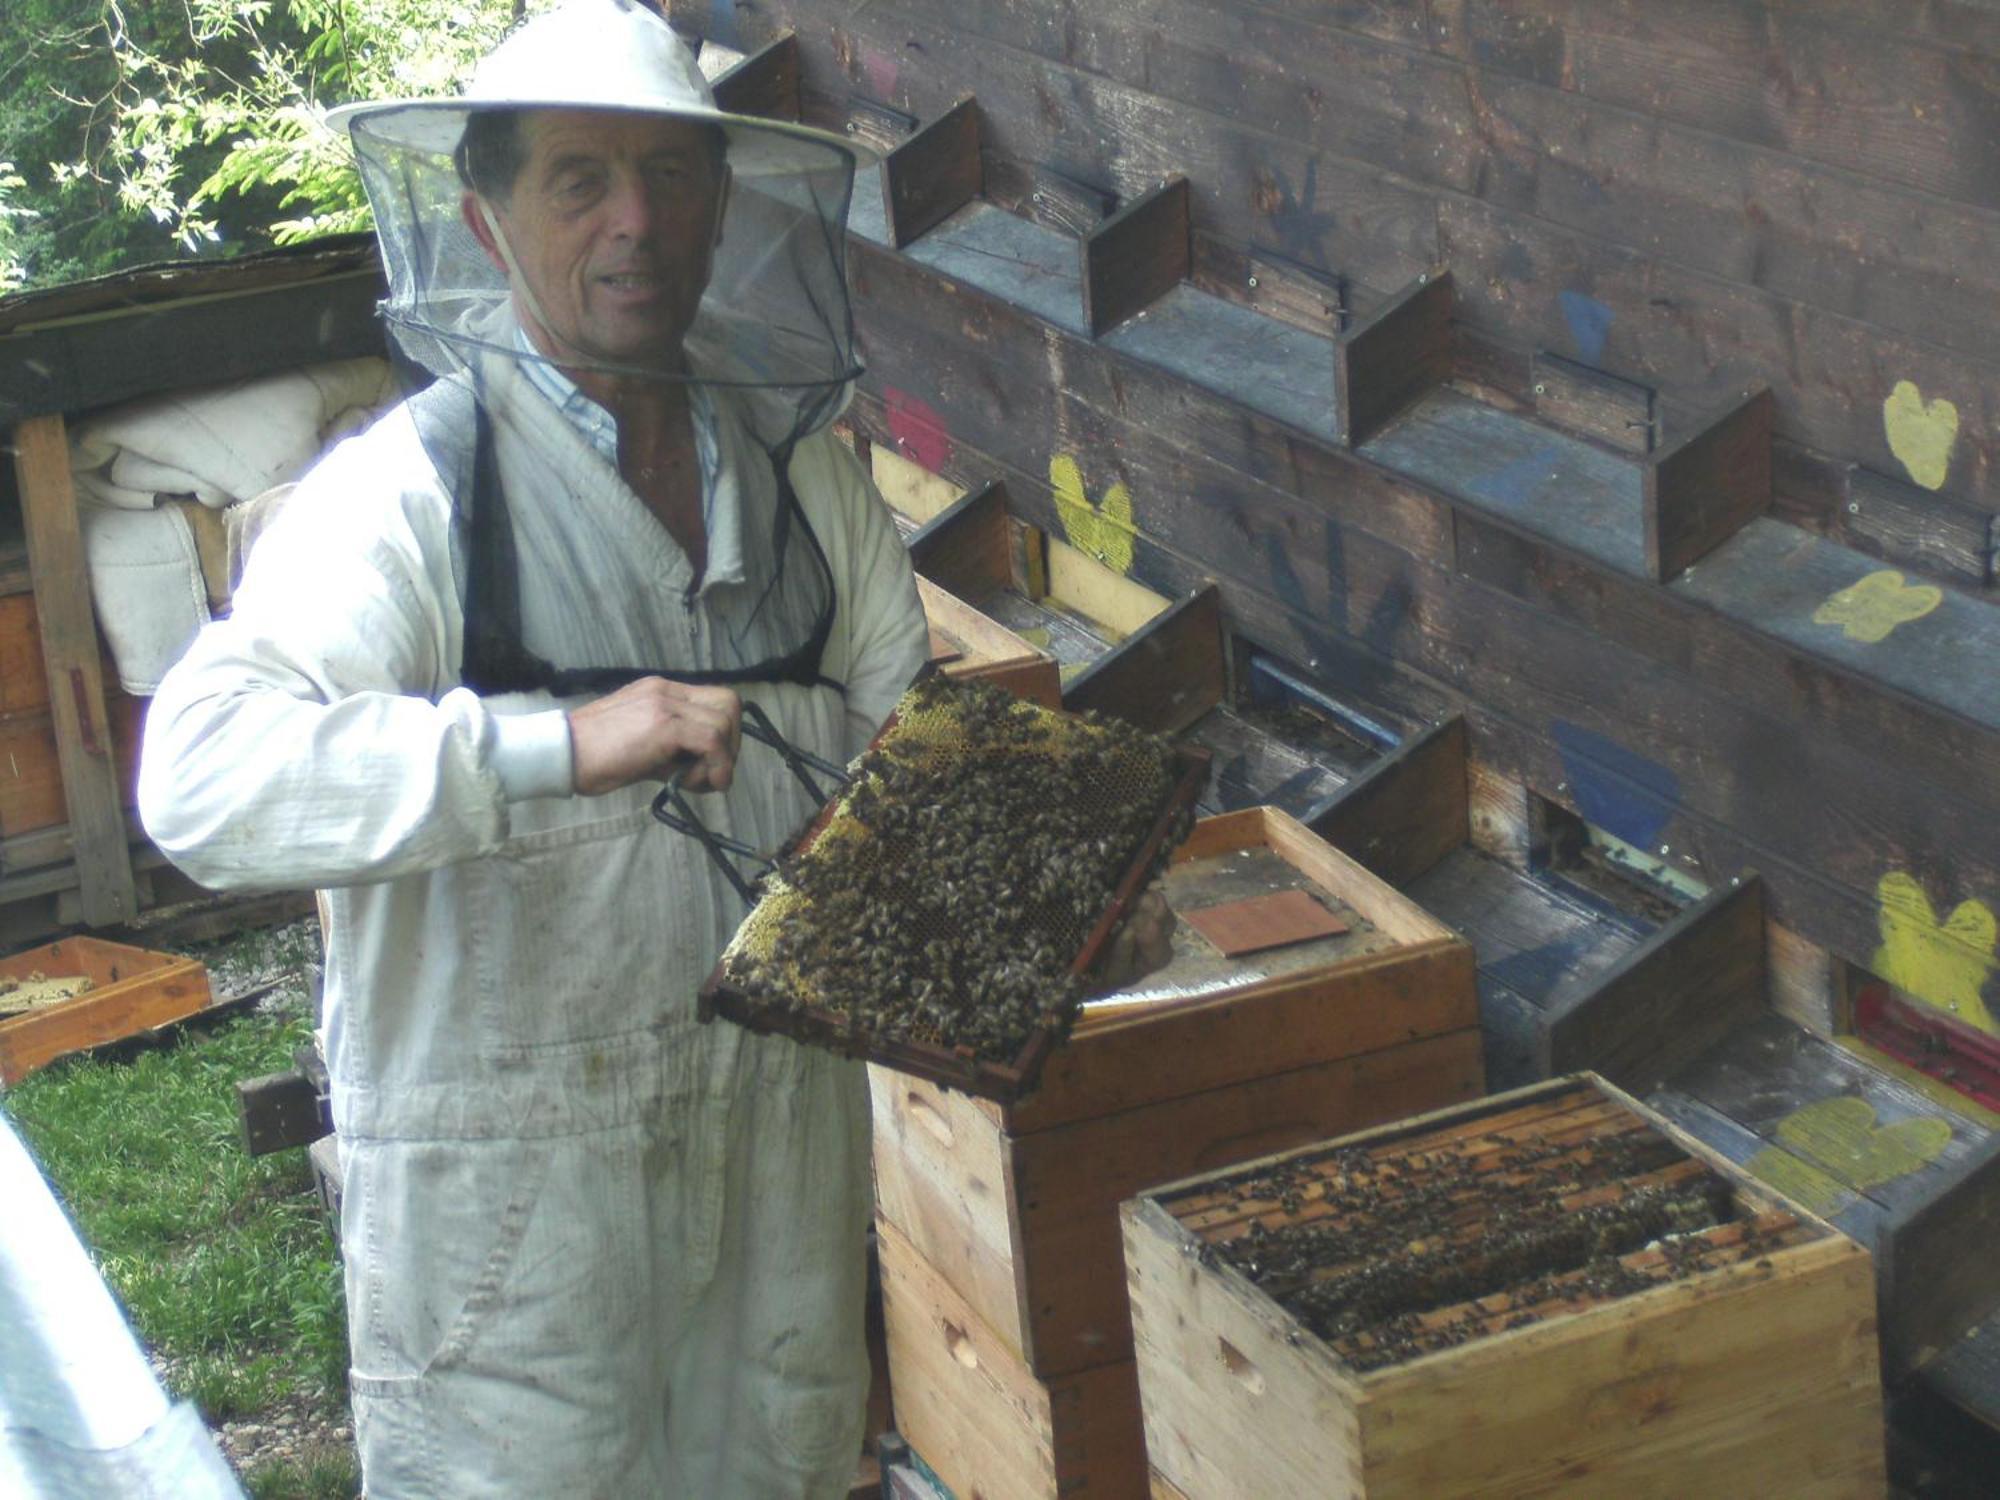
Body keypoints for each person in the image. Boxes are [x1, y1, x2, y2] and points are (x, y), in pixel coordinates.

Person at [138, 1, 928, 1494]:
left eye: (672, 178)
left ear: (722, 205)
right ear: (488, 225)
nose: (637, 224)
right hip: (515, 1238)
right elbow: (202, 775)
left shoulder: (817, 499)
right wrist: (550, 746)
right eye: (579, 179)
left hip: (777, 1198)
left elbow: (910, 793)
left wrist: (1043, 904)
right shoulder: (411, 497)